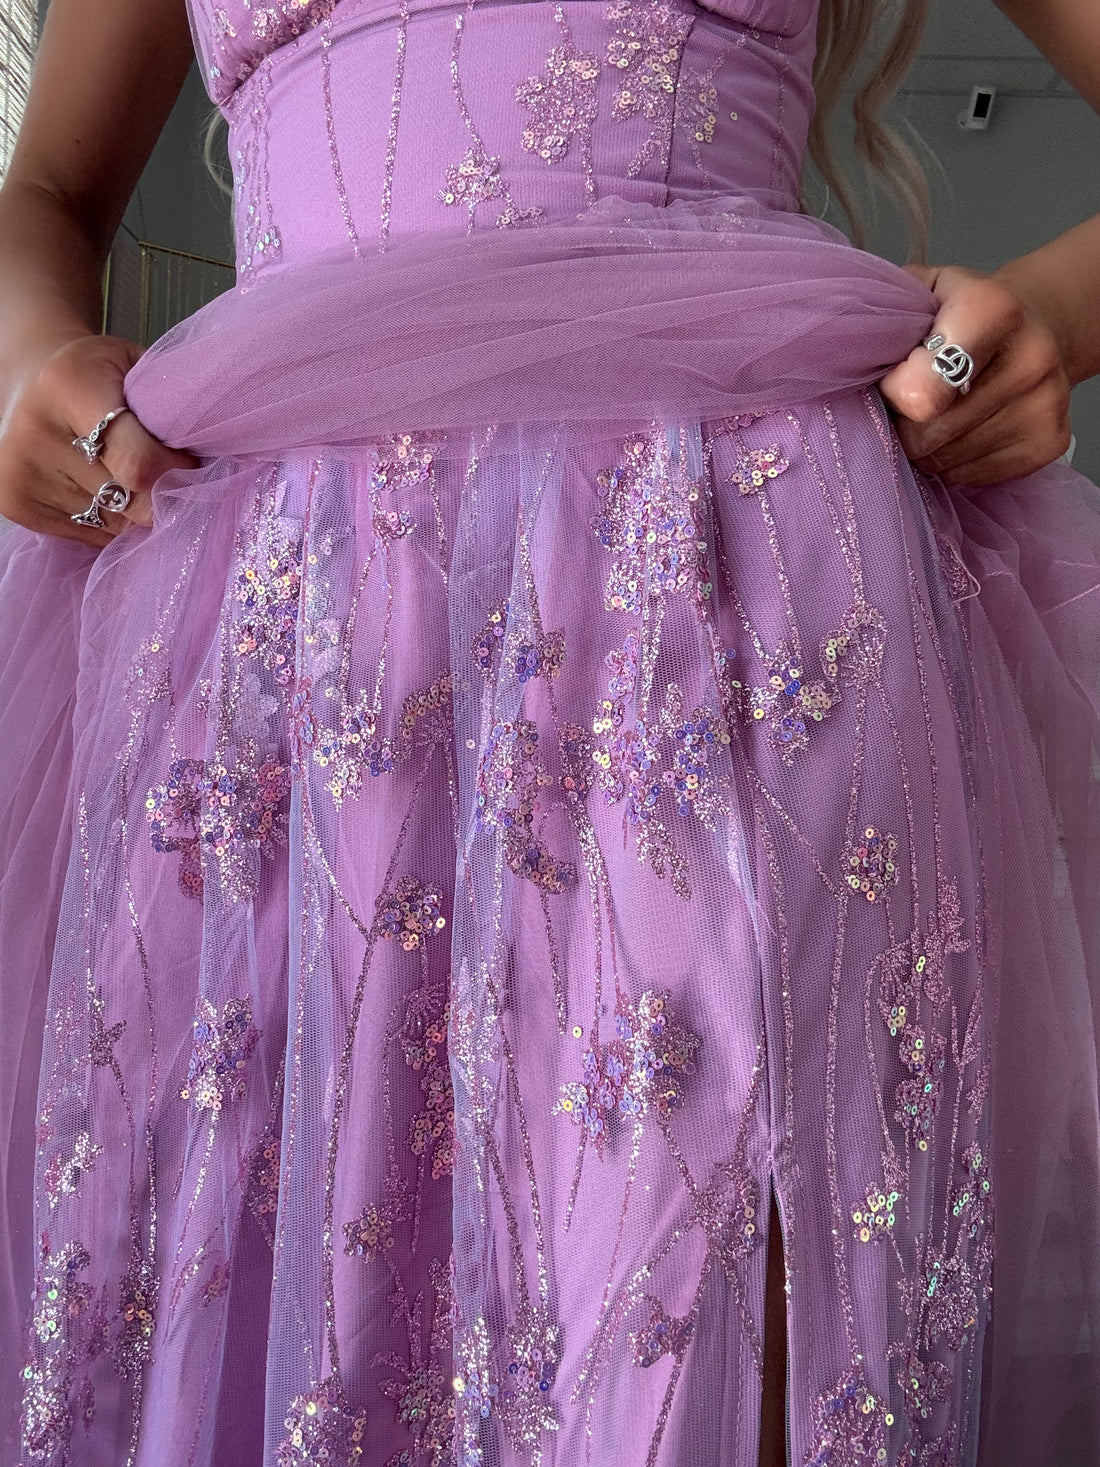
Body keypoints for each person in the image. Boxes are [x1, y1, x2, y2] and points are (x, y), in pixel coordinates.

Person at [0, 0, 1097, 1464]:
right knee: (291, 1249)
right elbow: (51, 187)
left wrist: (1063, 311)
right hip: (297, 601)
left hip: (727, 565)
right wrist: (24, 346)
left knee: (698, 1260)